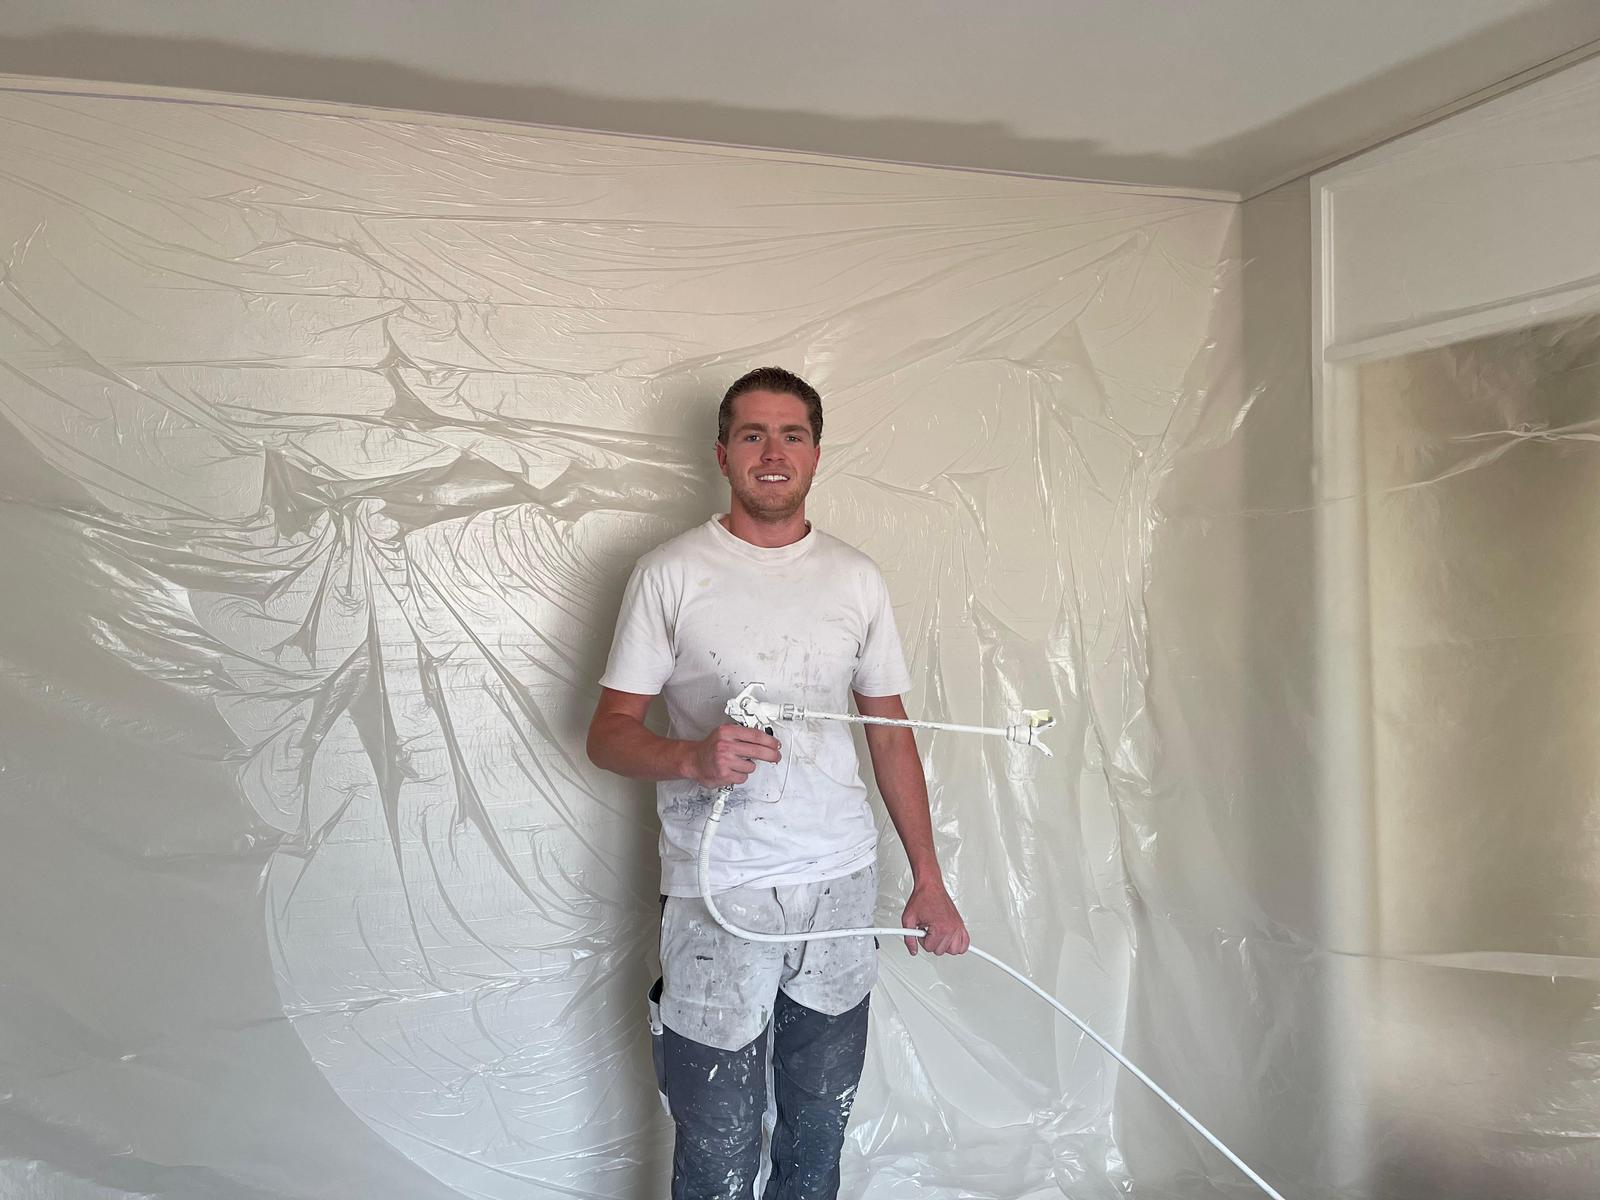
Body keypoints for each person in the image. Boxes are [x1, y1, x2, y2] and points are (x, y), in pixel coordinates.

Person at [586, 366, 969, 1199]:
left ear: (816, 455)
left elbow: (890, 735)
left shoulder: (855, 579)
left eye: (792, 435)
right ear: (723, 454)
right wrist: (690, 759)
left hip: (839, 885)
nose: (772, 452)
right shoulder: (671, 572)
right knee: (717, 1136)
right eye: (752, 434)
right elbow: (607, 734)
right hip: (720, 890)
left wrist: (928, 880)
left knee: (819, 1127)